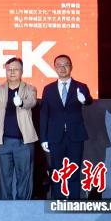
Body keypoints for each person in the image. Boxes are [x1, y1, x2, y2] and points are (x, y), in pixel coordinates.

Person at [40, 54, 93, 199]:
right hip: (55, 136)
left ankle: (74, 202)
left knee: (74, 170)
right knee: (56, 171)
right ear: (54, 68)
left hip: (75, 135)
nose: (62, 68)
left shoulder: (81, 86)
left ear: (71, 67)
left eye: (65, 65)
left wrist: (84, 100)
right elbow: (44, 114)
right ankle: (57, 201)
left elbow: (88, 100)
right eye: (59, 65)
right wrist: (43, 138)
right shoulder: (48, 89)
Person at [0, 57, 38, 200]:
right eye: (9, 69)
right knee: (3, 179)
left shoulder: (30, 89)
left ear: (22, 71)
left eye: (16, 69)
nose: (12, 72)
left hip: (24, 142)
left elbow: (31, 102)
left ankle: (23, 208)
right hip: (3, 141)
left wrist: (21, 103)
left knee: (24, 177)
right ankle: (5, 209)